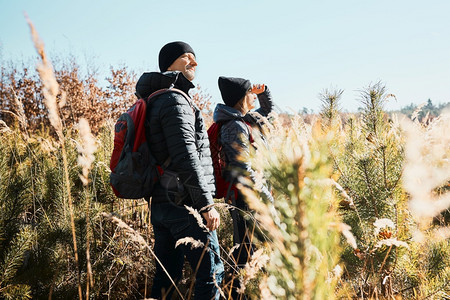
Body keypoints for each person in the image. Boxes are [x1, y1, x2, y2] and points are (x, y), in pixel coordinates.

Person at [135, 41, 224, 300]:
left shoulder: (153, 99)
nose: (194, 63)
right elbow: (186, 156)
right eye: (187, 57)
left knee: (167, 276)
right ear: (170, 63)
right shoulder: (175, 100)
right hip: (184, 203)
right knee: (211, 275)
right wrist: (206, 205)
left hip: (161, 203)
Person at [213, 76, 274, 299]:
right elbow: (242, 169)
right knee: (248, 255)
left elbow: (267, 111)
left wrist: (263, 90)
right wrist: (267, 197)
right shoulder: (235, 125)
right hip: (247, 200)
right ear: (241, 98)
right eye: (251, 93)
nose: (254, 97)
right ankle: (242, 294)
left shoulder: (245, 119)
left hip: (253, 197)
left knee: (252, 253)